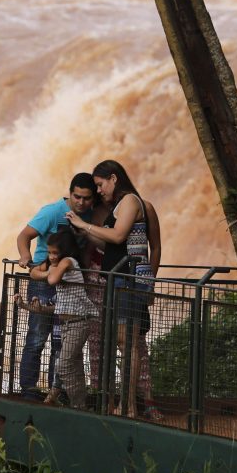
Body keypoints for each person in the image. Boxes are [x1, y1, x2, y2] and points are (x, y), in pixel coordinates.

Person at [67, 160, 162, 419]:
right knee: (123, 342)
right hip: (119, 280)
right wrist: (82, 231)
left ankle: (128, 406)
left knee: (128, 343)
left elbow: (119, 237)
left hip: (128, 281)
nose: (99, 191)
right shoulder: (120, 206)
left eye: (100, 185)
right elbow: (112, 245)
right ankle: (121, 403)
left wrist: (84, 224)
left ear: (113, 178)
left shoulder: (131, 201)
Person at [15, 173, 97, 400]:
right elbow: (24, 235)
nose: (81, 203)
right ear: (70, 194)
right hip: (44, 280)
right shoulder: (52, 212)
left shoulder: (90, 215)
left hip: (69, 284)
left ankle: (56, 391)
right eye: (77, 197)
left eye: (87, 198)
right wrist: (25, 255)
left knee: (60, 341)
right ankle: (29, 390)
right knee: (37, 336)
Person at [17, 230, 98, 410]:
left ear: (66, 252)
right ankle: (81, 404)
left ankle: (77, 405)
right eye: (49, 252)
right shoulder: (56, 264)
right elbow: (33, 273)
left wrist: (48, 270)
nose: (51, 257)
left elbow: (52, 280)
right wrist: (32, 305)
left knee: (63, 364)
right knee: (74, 365)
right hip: (67, 324)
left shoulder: (68, 262)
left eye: (55, 253)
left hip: (79, 323)